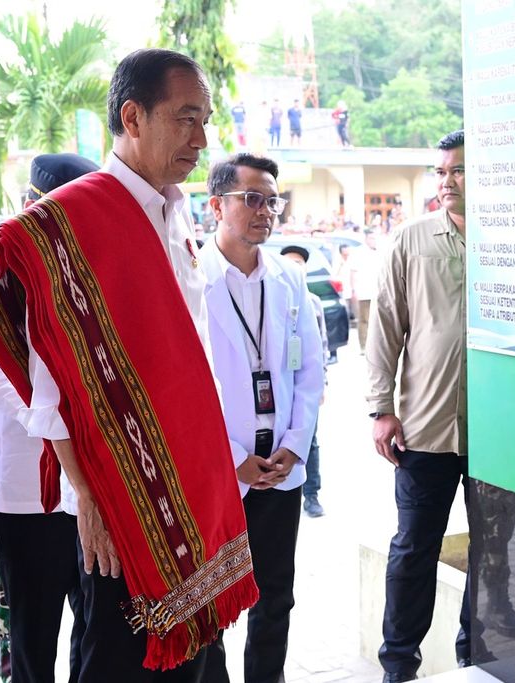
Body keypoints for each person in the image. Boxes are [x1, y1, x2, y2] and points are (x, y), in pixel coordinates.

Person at [0, 48, 257, 682]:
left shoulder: (172, 207)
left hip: (190, 485)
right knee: (122, 661)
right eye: (185, 118)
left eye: (204, 119)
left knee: (197, 663)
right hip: (123, 499)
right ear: (131, 116)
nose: (201, 139)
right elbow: (51, 385)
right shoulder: (67, 223)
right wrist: (88, 493)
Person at [0, 153, 99, 683]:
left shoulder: (83, 279)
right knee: (32, 643)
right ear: (29, 205)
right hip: (28, 494)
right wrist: (73, 427)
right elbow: (5, 386)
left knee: (95, 635)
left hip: (89, 491)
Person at [198, 153, 323, 683]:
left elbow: (311, 369)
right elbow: (188, 388)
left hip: (280, 467)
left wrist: (295, 445)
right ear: (217, 206)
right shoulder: (193, 278)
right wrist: (235, 461)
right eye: (252, 198)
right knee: (212, 604)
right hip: (222, 474)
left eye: (272, 200)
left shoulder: (289, 278)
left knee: (276, 597)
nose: (265, 211)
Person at [366, 130, 468, 683]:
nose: (446, 181)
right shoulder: (411, 240)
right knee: (412, 550)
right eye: (440, 171)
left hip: (494, 432)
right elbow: (384, 326)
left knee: (494, 550)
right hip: (423, 430)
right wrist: (381, 408)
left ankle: (477, 653)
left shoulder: (511, 239)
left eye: (458, 171)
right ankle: (398, 663)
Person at [280, 245, 328, 518]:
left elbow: (320, 345)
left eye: (300, 263)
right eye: (291, 262)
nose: (296, 267)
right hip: (282, 384)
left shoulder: (312, 301)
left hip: (306, 384)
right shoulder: (276, 296)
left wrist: (321, 385)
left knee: (309, 440)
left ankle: (312, 494)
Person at [349, 229, 380, 354]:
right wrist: (353, 289)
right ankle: (363, 346)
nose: (374, 241)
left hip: (377, 291)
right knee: (364, 319)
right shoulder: (359, 252)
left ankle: (375, 345)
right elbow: (353, 272)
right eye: (371, 238)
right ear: (366, 239)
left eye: (375, 238)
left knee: (376, 320)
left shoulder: (378, 252)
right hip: (363, 291)